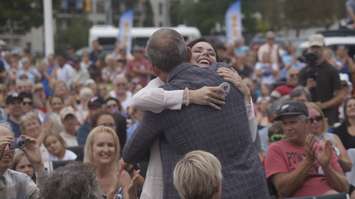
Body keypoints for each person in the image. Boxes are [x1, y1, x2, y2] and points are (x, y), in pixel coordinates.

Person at [123, 28, 269, 199]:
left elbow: (130, 153)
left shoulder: (163, 104)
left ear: (154, 70)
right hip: (252, 187)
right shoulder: (227, 74)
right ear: (188, 53)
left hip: (205, 192)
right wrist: (188, 96)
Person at [264, 100, 349, 197]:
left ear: (307, 123)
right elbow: (283, 190)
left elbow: (344, 188)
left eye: (293, 122)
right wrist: (308, 162)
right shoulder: (275, 149)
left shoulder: (322, 147)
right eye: (285, 123)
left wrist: (326, 167)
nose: (288, 128)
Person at [298, 34, 346, 125]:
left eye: (318, 47)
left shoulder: (331, 70)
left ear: (324, 48)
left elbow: (340, 95)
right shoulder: (303, 71)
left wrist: (323, 105)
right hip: (307, 116)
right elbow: (297, 95)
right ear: (309, 48)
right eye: (313, 47)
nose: (315, 50)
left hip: (328, 116)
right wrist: (307, 88)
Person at [84, 126, 141, 199]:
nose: (106, 149)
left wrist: (132, 193)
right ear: (91, 148)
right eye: (100, 145)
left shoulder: (123, 176)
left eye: (110, 145)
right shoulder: (83, 178)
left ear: (116, 149)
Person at [0, 124, 44, 199]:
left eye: (11, 144)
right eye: (2, 144)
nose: (7, 149)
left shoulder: (20, 180)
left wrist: (38, 166)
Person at [306, 102, 352, 172]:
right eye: (310, 120)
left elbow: (349, 167)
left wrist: (335, 156)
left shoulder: (333, 137)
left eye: (318, 118)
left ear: (323, 119)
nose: (315, 122)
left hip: (337, 178)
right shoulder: (301, 141)